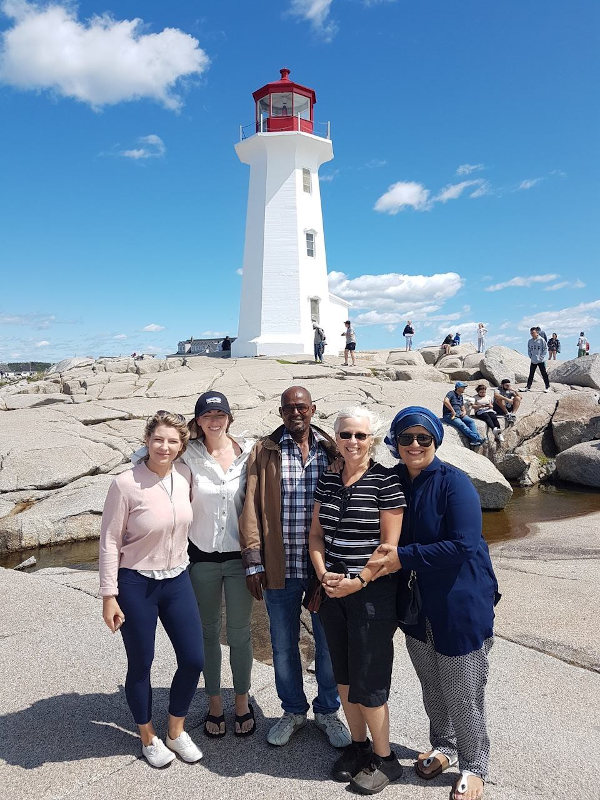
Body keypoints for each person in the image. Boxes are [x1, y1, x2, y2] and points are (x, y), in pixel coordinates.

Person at [367, 406, 501, 800]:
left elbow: (465, 543)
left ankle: (475, 765)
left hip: (461, 602)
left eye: (423, 438)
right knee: (431, 684)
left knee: (463, 688)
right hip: (416, 602)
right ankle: (444, 745)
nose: (414, 445)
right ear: (394, 441)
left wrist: (402, 558)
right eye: (405, 437)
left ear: (435, 441)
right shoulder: (390, 481)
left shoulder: (454, 483)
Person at [239, 386, 351, 749]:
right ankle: (292, 711)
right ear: (281, 411)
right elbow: (250, 507)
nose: (296, 413)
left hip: (325, 566)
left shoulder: (333, 449)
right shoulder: (264, 450)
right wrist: (252, 560)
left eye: (302, 406)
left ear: (313, 409)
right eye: (289, 408)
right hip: (279, 564)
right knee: (283, 644)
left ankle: (328, 711)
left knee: (328, 642)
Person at [99, 411, 204, 768]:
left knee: (193, 658)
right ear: (147, 441)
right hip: (136, 583)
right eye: (158, 439)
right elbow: (110, 542)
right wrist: (108, 595)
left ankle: (175, 731)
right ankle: (148, 736)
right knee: (141, 663)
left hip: (177, 579)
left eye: (173, 441)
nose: (165, 446)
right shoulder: (125, 483)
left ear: (181, 445)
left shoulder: (185, 475)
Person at [309, 408, 405, 794]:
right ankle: (358, 746)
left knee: (370, 679)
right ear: (336, 438)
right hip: (333, 592)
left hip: (373, 594)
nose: (352, 442)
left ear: (372, 440)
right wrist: (323, 574)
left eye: (360, 436)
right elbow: (316, 535)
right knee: (344, 676)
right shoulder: (327, 480)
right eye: (345, 435)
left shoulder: (386, 482)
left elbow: (389, 547)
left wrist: (359, 580)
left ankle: (385, 759)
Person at [184, 392, 256, 738]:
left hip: (240, 559)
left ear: (230, 417)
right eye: (207, 414)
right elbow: (145, 456)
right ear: (198, 420)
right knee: (208, 632)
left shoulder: (249, 454)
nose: (214, 420)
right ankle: (215, 702)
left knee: (240, 633)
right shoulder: (188, 454)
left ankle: (241, 701)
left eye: (220, 413)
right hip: (201, 559)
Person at [442, 381, 485, 447]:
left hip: (459, 414)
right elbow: (446, 401)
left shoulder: (460, 396)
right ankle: (477, 438)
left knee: (471, 421)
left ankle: (474, 440)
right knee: (462, 425)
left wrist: (464, 411)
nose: (464, 388)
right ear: (458, 388)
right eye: (463, 387)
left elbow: (462, 406)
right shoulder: (451, 393)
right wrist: (452, 411)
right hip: (449, 415)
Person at [523, 327, 550, 392]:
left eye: (533, 333)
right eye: (531, 333)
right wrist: (530, 356)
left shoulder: (541, 340)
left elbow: (545, 349)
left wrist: (541, 357)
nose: (532, 334)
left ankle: (547, 387)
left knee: (544, 374)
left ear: (537, 333)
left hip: (541, 360)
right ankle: (528, 387)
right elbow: (529, 349)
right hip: (533, 360)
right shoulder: (530, 341)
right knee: (531, 374)